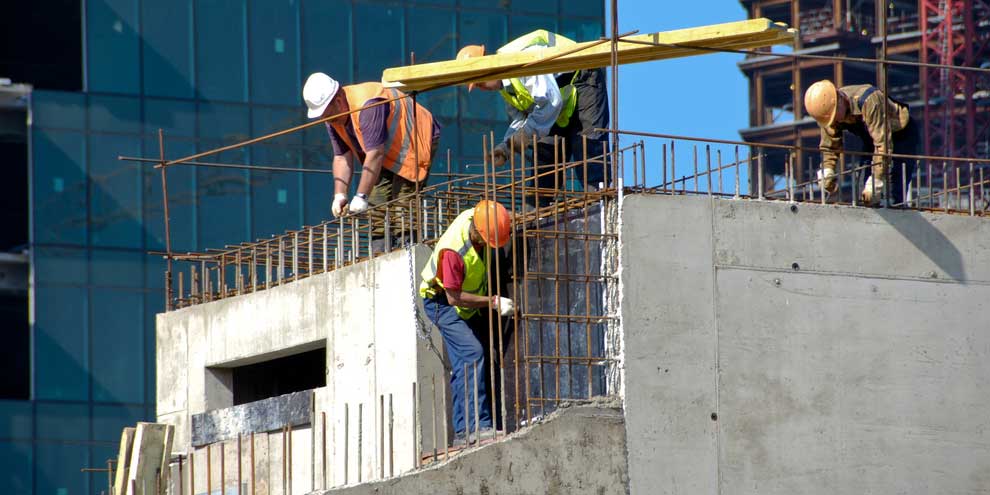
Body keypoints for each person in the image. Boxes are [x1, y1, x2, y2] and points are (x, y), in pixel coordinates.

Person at [457, 30, 610, 195]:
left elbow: (551, 101)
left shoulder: (520, 62)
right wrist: (506, 148)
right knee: (544, 165)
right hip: (555, 104)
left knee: (588, 149)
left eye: (478, 81)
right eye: (476, 85)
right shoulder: (507, 88)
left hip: (583, 79)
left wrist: (523, 137)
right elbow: (522, 118)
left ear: (487, 62)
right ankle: (538, 214)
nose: (480, 87)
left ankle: (599, 204)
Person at [419, 200, 515, 445]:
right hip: (441, 302)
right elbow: (454, 297)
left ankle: (462, 432)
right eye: (486, 241)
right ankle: (478, 427)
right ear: (477, 232)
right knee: (472, 353)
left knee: (465, 361)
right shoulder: (453, 252)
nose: (486, 246)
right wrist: (492, 302)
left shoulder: (481, 217)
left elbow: (499, 217)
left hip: (465, 301)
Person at [302, 72, 440, 219]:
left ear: (338, 101)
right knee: (376, 212)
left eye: (328, 115)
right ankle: (381, 241)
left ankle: (405, 241)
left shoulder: (368, 105)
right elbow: (342, 157)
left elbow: (375, 154)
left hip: (414, 141)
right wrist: (340, 195)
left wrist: (361, 195)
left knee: (403, 210)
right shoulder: (332, 118)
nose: (328, 121)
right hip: (385, 154)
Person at [804, 79, 918, 205]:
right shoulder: (828, 113)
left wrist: (876, 180)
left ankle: (894, 204)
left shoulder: (869, 100)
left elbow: (882, 145)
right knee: (864, 195)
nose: (834, 121)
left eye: (835, 115)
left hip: (900, 135)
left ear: (840, 99)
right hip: (871, 137)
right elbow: (830, 145)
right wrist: (828, 170)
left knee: (891, 192)